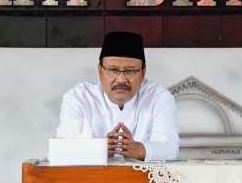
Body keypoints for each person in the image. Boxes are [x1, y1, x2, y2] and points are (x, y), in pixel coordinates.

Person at [55, 31, 179, 161]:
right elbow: (61, 148)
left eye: (130, 71)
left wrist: (140, 149)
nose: (121, 79)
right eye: (113, 70)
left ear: (143, 72)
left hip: (142, 180)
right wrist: (97, 149)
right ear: (99, 69)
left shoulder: (159, 98)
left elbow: (170, 147)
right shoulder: (78, 97)